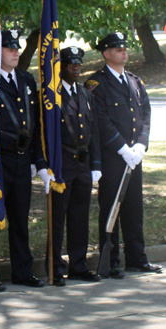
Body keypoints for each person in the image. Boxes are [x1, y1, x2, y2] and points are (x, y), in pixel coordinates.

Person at [0, 29, 50, 291]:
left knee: (20, 217)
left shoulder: (27, 80)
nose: (15, 51)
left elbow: (35, 122)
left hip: (21, 157)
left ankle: (22, 270)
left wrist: (34, 159)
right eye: (8, 48)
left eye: (16, 47)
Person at [86, 32, 163, 279]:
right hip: (112, 156)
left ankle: (137, 259)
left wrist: (141, 145)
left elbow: (145, 115)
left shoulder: (135, 81)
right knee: (111, 208)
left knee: (133, 209)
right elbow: (101, 120)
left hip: (134, 157)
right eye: (117, 49)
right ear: (106, 54)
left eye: (124, 48)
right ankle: (112, 261)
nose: (123, 52)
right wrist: (122, 148)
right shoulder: (95, 84)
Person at [46, 46, 101, 287]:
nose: (76, 68)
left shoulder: (86, 93)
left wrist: (95, 163)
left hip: (82, 163)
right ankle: (55, 267)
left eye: (78, 64)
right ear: (61, 67)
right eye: (70, 64)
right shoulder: (51, 95)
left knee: (79, 217)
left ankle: (78, 265)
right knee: (57, 218)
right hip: (62, 163)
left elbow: (94, 130)